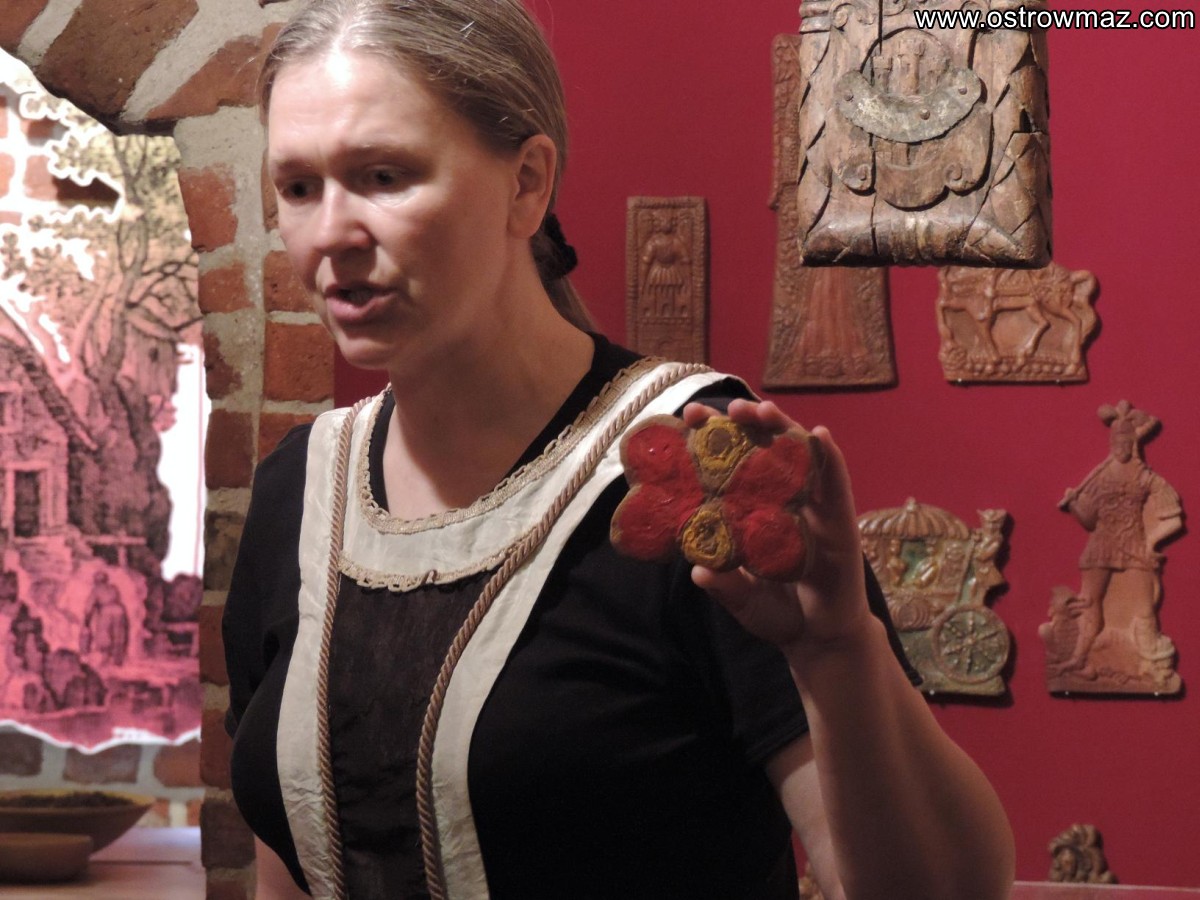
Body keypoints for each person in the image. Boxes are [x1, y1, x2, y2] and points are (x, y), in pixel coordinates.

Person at [222, 2, 1015, 898]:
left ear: (527, 183)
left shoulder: (698, 471)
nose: (331, 231)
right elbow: (286, 870)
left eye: (383, 176)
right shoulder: (301, 491)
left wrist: (838, 652)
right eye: (298, 188)